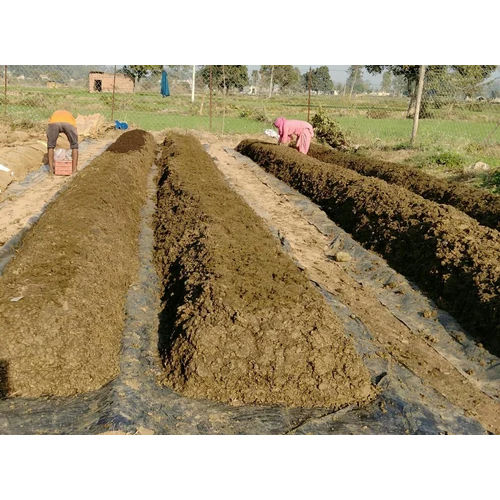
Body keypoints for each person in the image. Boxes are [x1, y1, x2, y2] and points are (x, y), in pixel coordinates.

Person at [46, 110, 79, 174]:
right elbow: (75, 130)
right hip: (68, 124)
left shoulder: (55, 114)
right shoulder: (71, 118)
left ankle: (51, 170)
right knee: (74, 145)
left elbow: (49, 128)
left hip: (54, 123)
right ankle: (74, 170)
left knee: (50, 146)